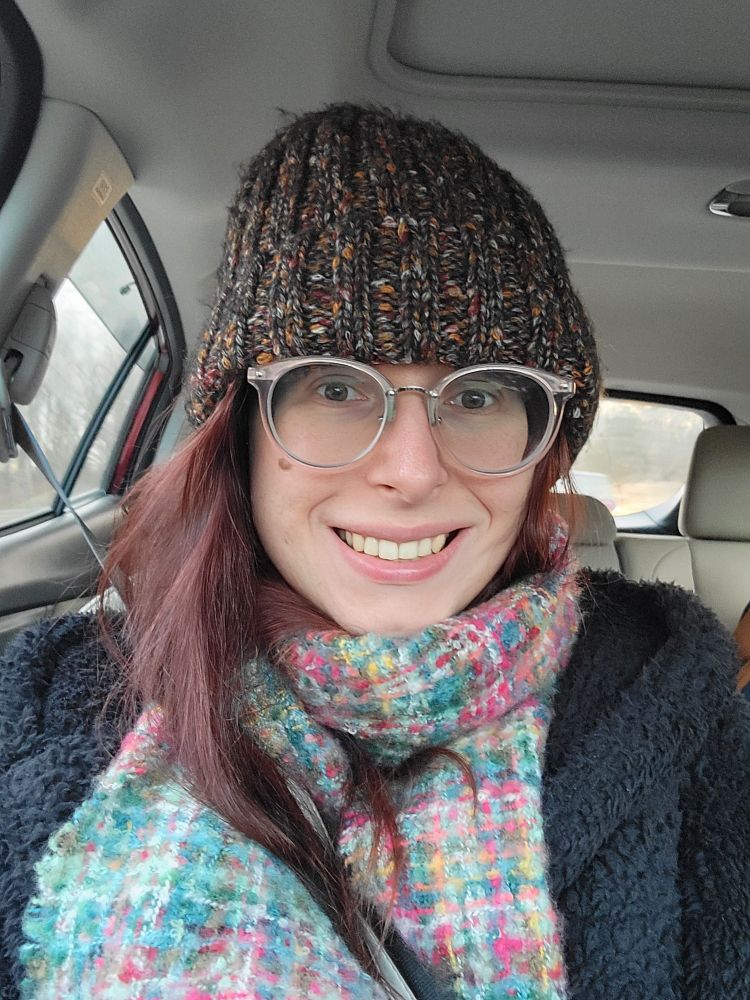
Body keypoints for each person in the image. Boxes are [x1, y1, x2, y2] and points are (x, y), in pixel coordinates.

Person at [1, 104, 749, 1000]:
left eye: (478, 398)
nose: (410, 471)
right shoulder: (49, 707)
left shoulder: (702, 749)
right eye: (333, 385)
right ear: (238, 430)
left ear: (544, 443)